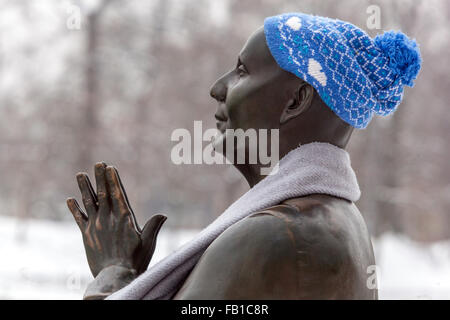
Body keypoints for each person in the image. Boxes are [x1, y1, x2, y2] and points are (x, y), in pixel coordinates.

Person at [67, 13, 421, 299]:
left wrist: (113, 277)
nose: (217, 88)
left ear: (295, 100)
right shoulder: (336, 221)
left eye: (242, 71)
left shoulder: (275, 237)